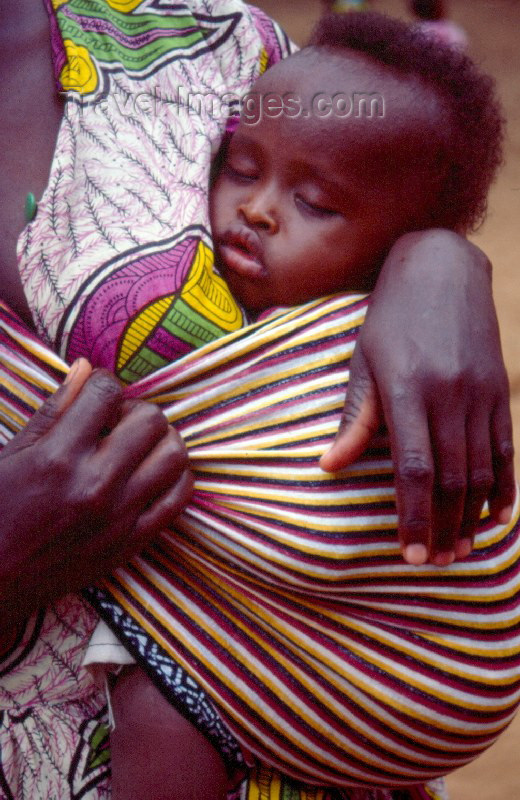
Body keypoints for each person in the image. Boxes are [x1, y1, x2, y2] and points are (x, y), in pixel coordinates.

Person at [0, 1, 515, 799]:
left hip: (345, 648)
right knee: (168, 712)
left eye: (310, 204)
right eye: (239, 171)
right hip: (173, 660)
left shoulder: (210, 41)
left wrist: (439, 260)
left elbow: (383, 173)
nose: (257, 208)